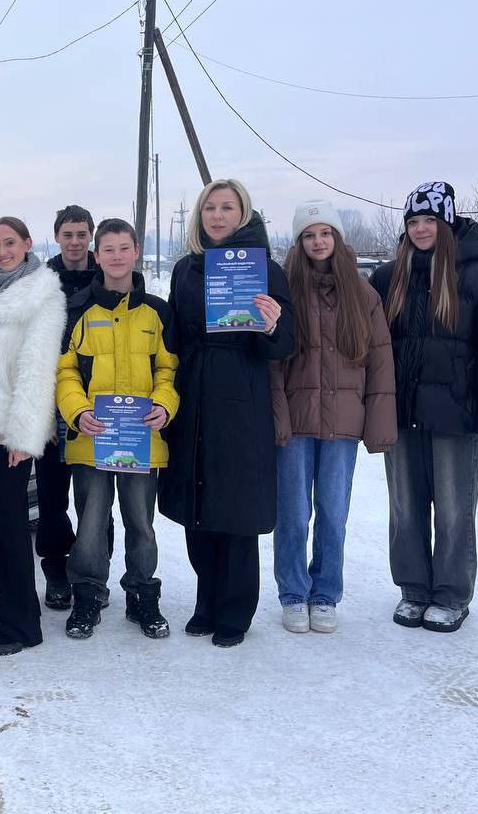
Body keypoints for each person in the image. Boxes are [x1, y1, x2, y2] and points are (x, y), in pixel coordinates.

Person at [369, 181, 478, 633]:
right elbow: (364, 342)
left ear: (447, 223)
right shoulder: (388, 277)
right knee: (405, 506)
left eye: (429, 220)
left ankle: (452, 594)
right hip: (402, 414)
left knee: (455, 509)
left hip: (458, 418)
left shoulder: (477, 278)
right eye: (412, 221)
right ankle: (413, 589)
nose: (419, 229)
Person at [158, 179, 295, 648]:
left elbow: (285, 344)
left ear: (243, 213)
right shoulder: (185, 270)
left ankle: (235, 611)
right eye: (210, 208)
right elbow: (172, 334)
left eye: (227, 207)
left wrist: (273, 323)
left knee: (234, 506)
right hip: (193, 392)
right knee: (199, 502)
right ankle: (206, 601)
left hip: (241, 393)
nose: (217, 215)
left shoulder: (267, 270)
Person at [270, 200, 396, 635]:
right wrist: (278, 417)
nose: (317, 241)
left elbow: (380, 363)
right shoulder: (283, 289)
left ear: (337, 239)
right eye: (308, 235)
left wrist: (379, 424)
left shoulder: (363, 294)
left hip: (343, 424)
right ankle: (292, 592)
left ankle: (325, 593)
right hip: (298, 422)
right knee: (292, 512)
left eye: (325, 233)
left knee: (333, 510)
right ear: (299, 242)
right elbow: (274, 364)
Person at [55, 218, 179, 640]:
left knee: (140, 523)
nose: (117, 256)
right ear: (96, 255)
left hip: (142, 441)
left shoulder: (157, 312)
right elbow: (64, 371)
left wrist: (165, 404)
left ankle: (143, 595)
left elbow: (168, 369)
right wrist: (77, 411)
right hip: (91, 438)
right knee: (90, 522)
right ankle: (88, 596)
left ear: (137, 251)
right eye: (108, 249)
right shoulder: (78, 310)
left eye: (124, 248)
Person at [0, 217, 66, 656]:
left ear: (27, 244)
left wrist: (24, 436)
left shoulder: (43, 295)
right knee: (1, 521)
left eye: (9, 243)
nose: (2, 252)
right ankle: (7, 599)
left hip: (12, 431)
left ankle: (23, 625)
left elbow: (39, 371)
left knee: (14, 523)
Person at [32, 204, 104, 612]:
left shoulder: (111, 271)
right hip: (51, 399)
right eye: (68, 234)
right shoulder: (42, 280)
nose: (75, 242)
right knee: (53, 493)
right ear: (57, 236)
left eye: (82, 234)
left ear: (91, 236)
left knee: (96, 495)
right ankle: (56, 571)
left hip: (103, 401)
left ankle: (94, 573)